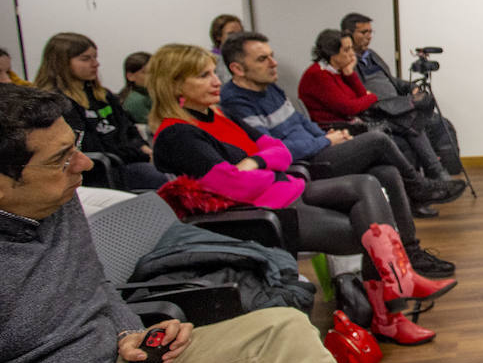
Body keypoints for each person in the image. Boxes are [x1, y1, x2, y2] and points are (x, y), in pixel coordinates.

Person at [0, 83, 483, 363]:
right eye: (62, 159)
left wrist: (129, 329)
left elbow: (95, 286)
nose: (84, 164)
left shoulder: (52, 203)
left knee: (287, 330)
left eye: (76, 146)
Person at [146, 44, 452, 344]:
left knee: (370, 183)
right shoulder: (177, 135)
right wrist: (264, 168)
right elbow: (233, 186)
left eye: (214, 73)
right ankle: (393, 305)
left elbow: (278, 150)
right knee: (367, 230)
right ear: (175, 84)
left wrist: (255, 163)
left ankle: (396, 298)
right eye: (203, 75)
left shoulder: (217, 116)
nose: (216, 82)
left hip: (287, 190)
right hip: (262, 213)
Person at [218, 30, 457, 278]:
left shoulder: (271, 88)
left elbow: (303, 122)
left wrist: (326, 138)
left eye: (272, 56)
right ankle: (418, 186)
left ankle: (410, 252)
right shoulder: (236, 102)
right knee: (378, 139)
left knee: (387, 171)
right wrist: (324, 140)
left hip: (319, 147)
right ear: (237, 68)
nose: (273, 62)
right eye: (262, 59)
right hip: (300, 166)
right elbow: (275, 150)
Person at [298, 30, 452, 183]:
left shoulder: (338, 71)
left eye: (351, 48)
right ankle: (428, 178)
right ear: (332, 54)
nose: (352, 54)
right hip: (341, 128)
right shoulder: (318, 75)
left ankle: (425, 183)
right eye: (346, 50)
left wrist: (350, 73)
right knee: (409, 123)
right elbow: (351, 107)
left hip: (357, 121)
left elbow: (359, 97)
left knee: (410, 123)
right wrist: (371, 96)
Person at [33, 32, 167, 190]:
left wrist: (143, 147)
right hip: (102, 170)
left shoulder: (103, 95)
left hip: (127, 159)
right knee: (160, 178)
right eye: (85, 59)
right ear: (61, 62)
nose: (95, 64)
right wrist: (142, 154)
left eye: (95, 57)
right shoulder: (56, 103)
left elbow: (128, 128)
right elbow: (92, 146)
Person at [341, 13, 463, 182]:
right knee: (412, 122)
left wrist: (411, 87)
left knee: (438, 121)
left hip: (398, 105)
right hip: (377, 110)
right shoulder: (346, 63)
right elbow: (356, 95)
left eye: (370, 32)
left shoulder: (372, 56)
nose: (369, 37)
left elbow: (392, 81)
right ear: (348, 33)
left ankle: (444, 170)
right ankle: (436, 172)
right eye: (363, 32)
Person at [117, 50, 152, 125]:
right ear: (130, 76)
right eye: (146, 72)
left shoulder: (151, 95)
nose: (152, 76)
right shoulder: (135, 100)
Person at [209, 13, 243, 83]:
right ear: (218, 36)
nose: (237, 37)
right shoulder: (210, 61)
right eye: (231, 34)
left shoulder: (245, 57)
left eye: (240, 33)